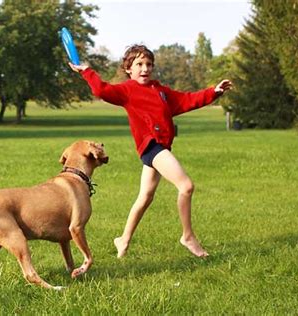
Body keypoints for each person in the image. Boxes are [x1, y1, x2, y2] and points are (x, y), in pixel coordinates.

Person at [69, 44, 232, 258]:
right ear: (129, 68)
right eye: (139, 64)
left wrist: (214, 92)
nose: (145, 68)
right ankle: (188, 237)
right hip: (151, 146)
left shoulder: (161, 92)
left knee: (145, 197)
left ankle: (123, 239)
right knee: (186, 186)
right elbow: (101, 90)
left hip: (161, 146)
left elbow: (187, 99)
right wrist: (87, 70)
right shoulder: (126, 91)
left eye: (148, 64)